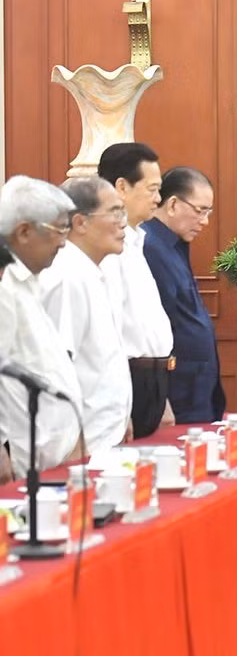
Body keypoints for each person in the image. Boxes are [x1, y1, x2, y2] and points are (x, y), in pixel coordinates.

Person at [41, 178, 133, 457]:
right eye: (115, 213)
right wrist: (71, 441)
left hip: (101, 438)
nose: (123, 223)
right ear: (80, 223)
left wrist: (122, 414)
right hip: (77, 449)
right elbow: (53, 370)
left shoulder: (90, 272)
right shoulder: (66, 277)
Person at [0, 177, 84, 476]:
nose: (64, 241)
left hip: (50, 456)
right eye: (58, 230)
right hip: (21, 459)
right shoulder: (4, 287)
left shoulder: (30, 279)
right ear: (23, 231)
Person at [99, 142, 174, 436]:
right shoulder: (107, 248)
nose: (158, 199)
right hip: (128, 380)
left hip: (153, 377)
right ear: (121, 187)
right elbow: (110, 331)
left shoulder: (137, 241)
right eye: (152, 189)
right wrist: (120, 406)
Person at [143, 165, 225, 423]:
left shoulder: (175, 246)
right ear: (173, 204)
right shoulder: (149, 248)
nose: (205, 221)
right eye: (200, 211)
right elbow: (150, 327)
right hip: (177, 391)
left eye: (208, 212)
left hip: (197, 388)